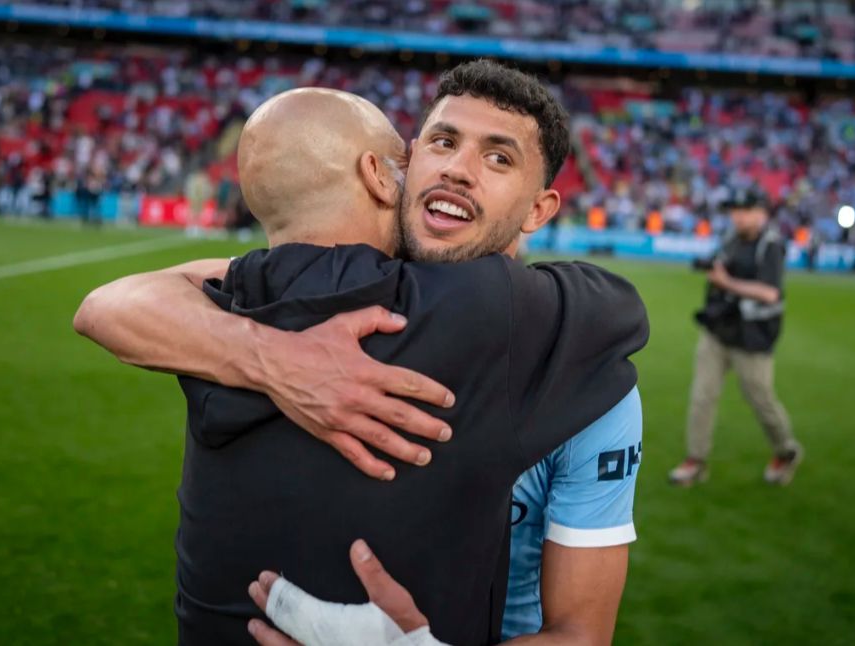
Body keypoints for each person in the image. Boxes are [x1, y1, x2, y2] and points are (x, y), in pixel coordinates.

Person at [75, 62, 648, 644]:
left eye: (498, 158)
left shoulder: (583, 374)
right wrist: (275, 358)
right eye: (443, 143)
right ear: (405, 162)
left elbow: (581, 634)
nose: (457, 169)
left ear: (538, 210)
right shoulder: (298, 295)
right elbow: (110, 305)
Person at [669, 186, 802, 486]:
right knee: (702, 396)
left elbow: (770, 293)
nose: (739, 218)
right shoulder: (730, 239)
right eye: (735, 212)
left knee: (761, 399)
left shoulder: (770, 245)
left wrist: (727, 282)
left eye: (745, 211)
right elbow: (722, 266)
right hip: (719, 330)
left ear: (762, 213)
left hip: (753, 337)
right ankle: (696, 460)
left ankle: (786, 450)